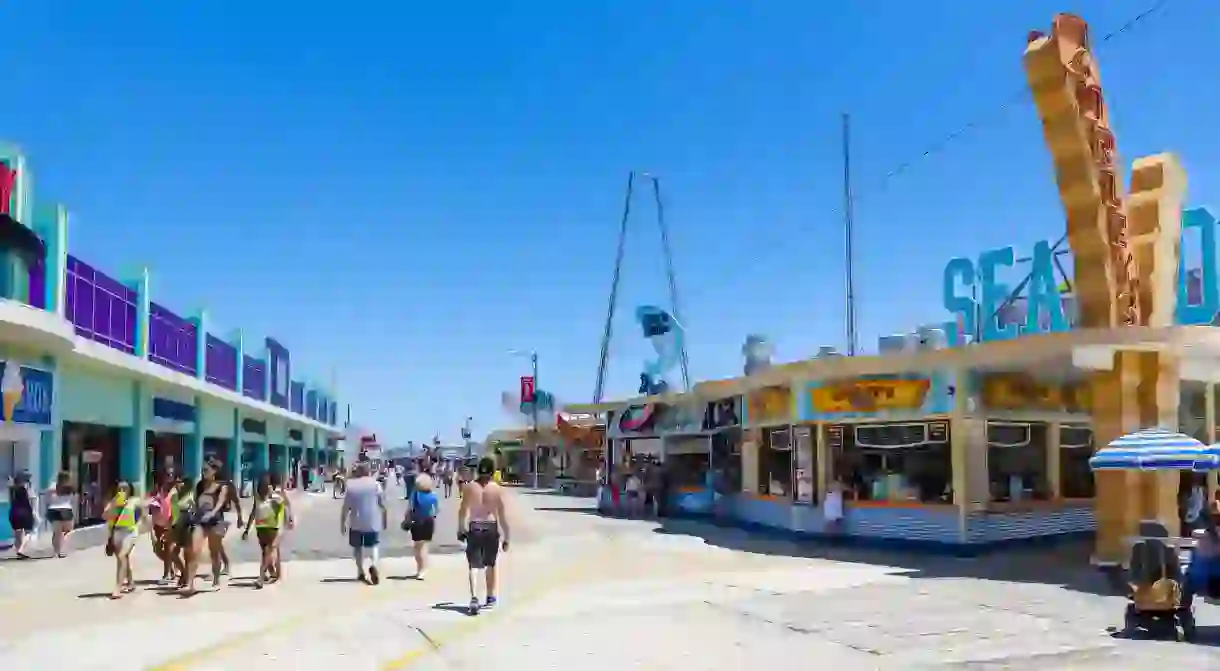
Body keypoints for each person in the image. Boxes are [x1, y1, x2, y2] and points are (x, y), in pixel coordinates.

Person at [457, 456, 511, 615]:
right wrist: (507, 536)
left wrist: (460, 528)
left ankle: (474, 597)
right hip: (490, 527)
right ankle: (490, 596)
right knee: (490, 564)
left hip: (475, 527)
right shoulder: (496, 489)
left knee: (474, 565)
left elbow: (462, 511)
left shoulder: (469, 488)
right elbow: (502, 515)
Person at [183, 459, 230, 595]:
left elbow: (220, 503)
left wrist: (212, 513)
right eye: (203, 470)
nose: (204, 473)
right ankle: (190, 584)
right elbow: (196, 502)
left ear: (214, 471)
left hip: (215, 521)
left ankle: (216, 579)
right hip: (200, 521)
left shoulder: (221, 487)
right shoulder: (199, 486)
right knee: (194, 550)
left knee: (214, 552)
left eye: (206, 470)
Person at [341, 462, 387, 585]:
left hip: (356, 521)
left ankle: (361, 571)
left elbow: (346, 507)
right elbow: (382, 504)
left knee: (357, 547)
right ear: (368, 471)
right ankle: (374, 564)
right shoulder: (376, 484)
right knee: (374, 545)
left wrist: (343, 522)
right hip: (372, 520)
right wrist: (384, 519)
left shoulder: (351, 486)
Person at [243, 473, 287, 588]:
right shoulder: (258, 500)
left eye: (265, 486)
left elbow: (284, 508)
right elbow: (253, 514)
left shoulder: (275, 499)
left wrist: (287, 522)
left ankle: (261, 578)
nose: (263, 489)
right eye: (261, 487)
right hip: (261, 529)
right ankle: (274, 574)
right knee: (266, 553)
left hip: (273, 529)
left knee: (268, 552)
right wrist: (247, 530)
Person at [103, 481, 145, 599]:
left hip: (130, 531)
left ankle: (118, 588)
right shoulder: (113, 502)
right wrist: (114, 505)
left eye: (125, 488)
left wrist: (140, 525)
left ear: (130, 490)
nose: (122, 490)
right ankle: (130, 582)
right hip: (116, 532)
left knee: (121, 556)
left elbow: (143, 514)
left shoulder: (134, 501)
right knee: (123, 558)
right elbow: (105, 516)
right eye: (120, 488)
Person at [404, 473, 440, 579]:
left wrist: (406, 518)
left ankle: (421, 568)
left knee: (417, 547)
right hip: (429, 521)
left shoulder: (415, 494)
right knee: (424, 546)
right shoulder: (433, 495)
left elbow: (409, 508)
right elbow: (437, 509)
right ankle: (423, 568)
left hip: (417, 521)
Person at [44, 471, 76, 558]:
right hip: (66, 510)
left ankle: (55, 551)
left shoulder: (53, 486)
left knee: (57, 533)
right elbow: (73, 500)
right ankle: (62, 550)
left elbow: (46, 499)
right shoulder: (70, 488)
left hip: (53, 510)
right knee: (68, 532)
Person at [6, 472, 36, 558]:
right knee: (28, 533)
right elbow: (32, 499)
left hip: (14, 512)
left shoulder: (12, 489)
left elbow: (10, 500)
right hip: (25, 512)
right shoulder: (27, 488)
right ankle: (21, 550)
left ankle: (19, 553)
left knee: (18, 534)